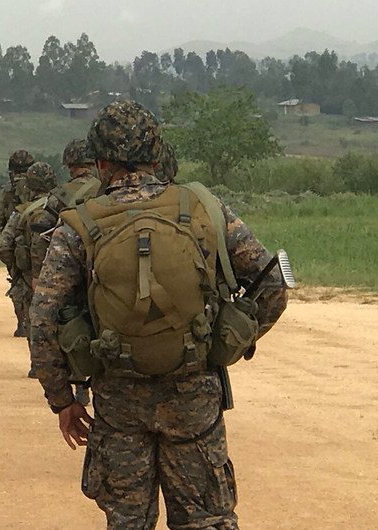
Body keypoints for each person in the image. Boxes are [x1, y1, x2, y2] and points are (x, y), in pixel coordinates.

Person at [29, 101, 288, 529]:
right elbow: (273, 284)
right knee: (207, 520)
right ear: (157, 154)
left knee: (128, 522)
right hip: (193, 397)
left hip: (117, 401)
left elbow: (44, 320)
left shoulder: (78, 225)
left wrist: (63, 400)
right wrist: (225, 343)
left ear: (101, 162)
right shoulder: (205, 207)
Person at [18, 141, 100, 380]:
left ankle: (77, 376)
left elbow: (39, 236)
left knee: (70, 322)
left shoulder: (59, 196)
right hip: (102, 269)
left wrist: (37, 275)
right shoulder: (106, 190)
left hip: (70, 267)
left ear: (69, 165)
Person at [0, 161, 58, 341]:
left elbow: (4, 247)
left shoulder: (22, 212)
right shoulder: (63, 206)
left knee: (33, 323)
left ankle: (36, 364)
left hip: (29, 277)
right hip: (61, 275)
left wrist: (18, 269)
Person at [0, 150, 36, 336]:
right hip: (39, 242)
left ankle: (22, 323)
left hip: (13, 246)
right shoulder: (40, 188)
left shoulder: (6, 191)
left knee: (17, 282)